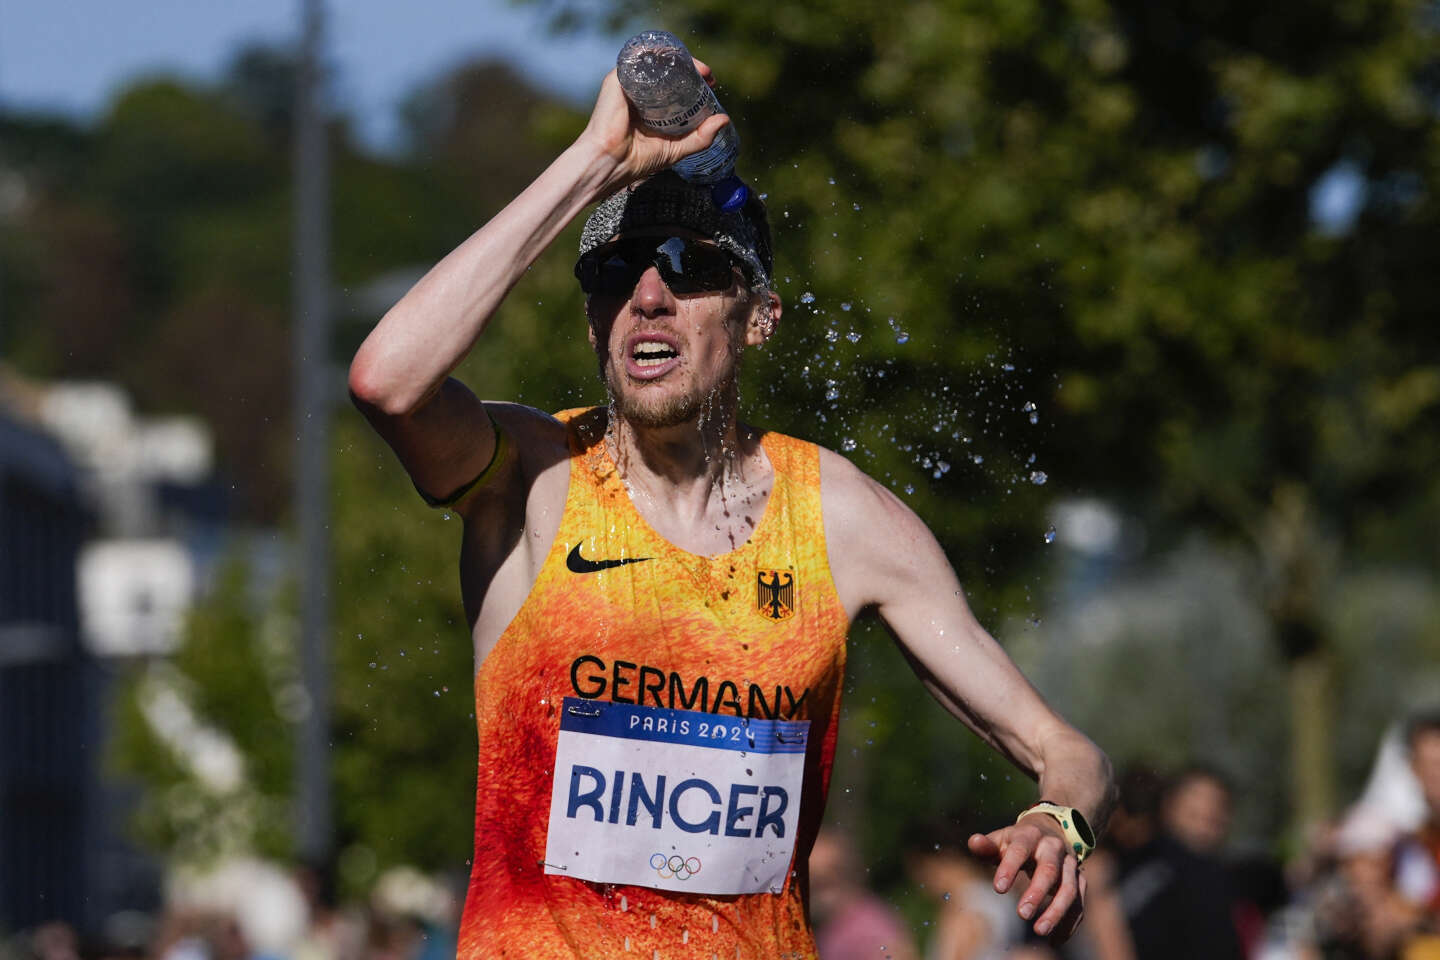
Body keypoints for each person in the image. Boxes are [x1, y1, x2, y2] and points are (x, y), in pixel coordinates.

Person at [348, 50, 1114, 960]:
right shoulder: (533, 475)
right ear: (594, 322)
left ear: (758, 315)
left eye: (689, 267)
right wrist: (597, 160)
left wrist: (1058, 821)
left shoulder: (841, 519)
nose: (647, 294)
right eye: (617, 272)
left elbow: (1068, 752)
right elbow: (388, 382)